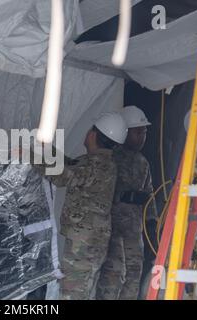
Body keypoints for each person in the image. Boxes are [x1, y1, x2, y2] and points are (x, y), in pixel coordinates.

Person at [32, 112, 128, 300]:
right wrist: (46, 149)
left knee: (72, 293)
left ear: (93, 135)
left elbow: (63, 176)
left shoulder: (98, 165)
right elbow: (70, 164)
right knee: (78, 291)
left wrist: (30, 157)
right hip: (88, 242)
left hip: (84, 245)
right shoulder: (98, 162)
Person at [96, 105, 157, 300]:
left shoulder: (143, 163)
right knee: (112, 276)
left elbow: (149, 199)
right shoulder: (109, 158)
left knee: (133, 275)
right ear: (125, 132)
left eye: (144, 132)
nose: (142, 137)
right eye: (137, 132)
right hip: (111, 230)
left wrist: (152, 227)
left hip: (134, 232)